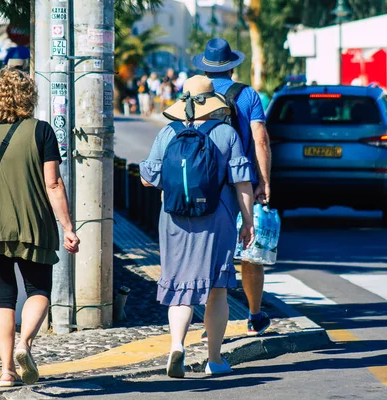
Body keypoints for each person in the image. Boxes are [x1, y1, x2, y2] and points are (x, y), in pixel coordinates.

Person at [0, 67, 80, 387]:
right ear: (30, 97)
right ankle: (25, 343)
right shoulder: (41, 131)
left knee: (3, 297)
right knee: (39, 290)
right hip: (33, 224)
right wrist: (68, 226)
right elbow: (53, 184)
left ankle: (6, 371)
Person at [140, 75, 255, 377]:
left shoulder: (167, 133)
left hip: (174, 219)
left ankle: (177, 345)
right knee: (217, 289)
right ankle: (214, 360)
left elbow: (146, 178)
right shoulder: (226, 134)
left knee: (180, 287)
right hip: (218, 218)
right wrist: (248, 221)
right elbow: (242, 181)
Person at [193, 38, 272, 337]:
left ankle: (210, 323)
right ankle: (254, 316)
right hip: (243, 184)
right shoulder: (248, 95)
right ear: (232, 66)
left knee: (208, 253)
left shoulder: (191, 93)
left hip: (205, 184)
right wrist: (264, 181)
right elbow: (261, 139)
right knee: (249, 251)